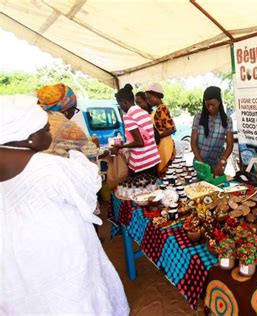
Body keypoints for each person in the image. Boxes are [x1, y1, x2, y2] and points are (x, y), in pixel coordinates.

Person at [0, 95, 129, 315]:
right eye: (45, 129)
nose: (51, 131)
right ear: (28, 137)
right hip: (57, 252)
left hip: (15, 256)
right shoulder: (47, 167)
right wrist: (75, 159)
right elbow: (89, 188)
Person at [36, 83, 97, 158]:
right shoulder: (66, 125)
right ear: (66, 111)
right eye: (74, 109)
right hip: (53, 167)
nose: (74, 113)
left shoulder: (29, 117)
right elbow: (90, 152)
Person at [111, 84, 160, 175]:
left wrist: (121, 146)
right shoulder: (145, 113)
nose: (120, 107)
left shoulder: (129, 116)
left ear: (124, 102)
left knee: (138, 189)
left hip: (140, 163)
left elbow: (140, 142)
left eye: (119, 104)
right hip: (153, 159)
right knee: (154, 187)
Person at [191, 86, 234, 176]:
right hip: (199, 161)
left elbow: (230, 145)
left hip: (217, 163)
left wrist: (223, 160)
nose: (210, 108)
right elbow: (193, 143)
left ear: (219, 102)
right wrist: (202, 164)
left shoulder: (227, 120)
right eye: (207, 105)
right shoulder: (198, 117)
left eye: (213, 105)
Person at [146, 83, 176, 174]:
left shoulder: (162, 109)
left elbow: (172, 129)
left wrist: (157, 137)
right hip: (161, 144)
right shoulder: (158, 109)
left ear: (156, 96)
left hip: (166, 145)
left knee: (165, 173)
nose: (148, 100)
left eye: (149, 97)